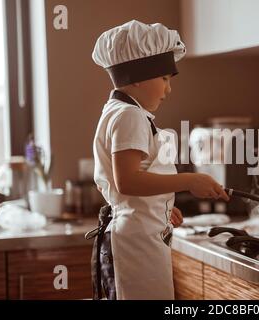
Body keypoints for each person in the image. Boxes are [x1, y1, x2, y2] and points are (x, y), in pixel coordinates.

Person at [91, 20, 229, 300]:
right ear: (138, 76)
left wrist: (159, 206)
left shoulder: (119, 110)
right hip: (134, 244)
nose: (169, 89)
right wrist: (191, 180)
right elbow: (127, 180)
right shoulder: (130, 116)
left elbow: (130, 185)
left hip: (137, 234)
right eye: (165, 79)